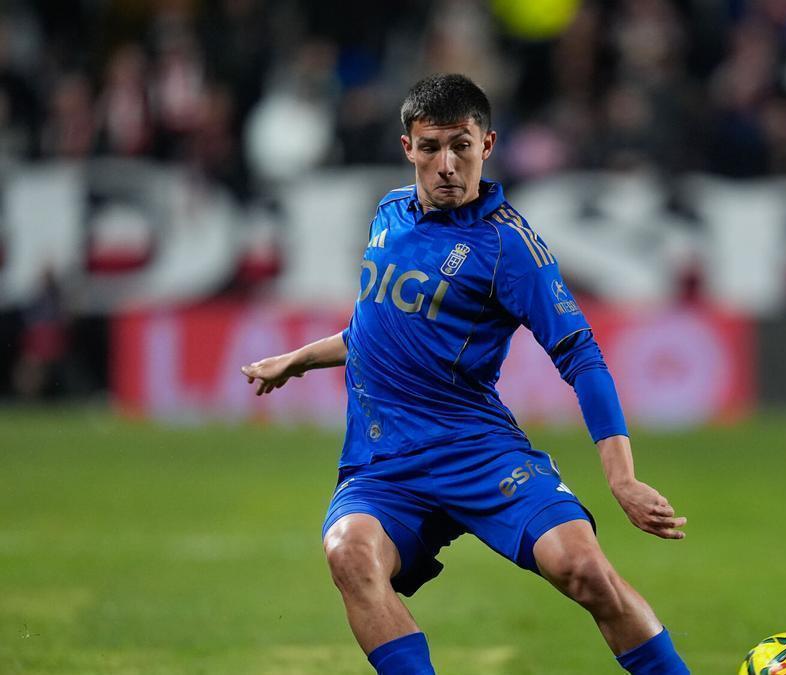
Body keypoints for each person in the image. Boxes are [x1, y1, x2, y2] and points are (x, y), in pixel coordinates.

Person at [241, 73, 690, 675]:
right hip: (388, 464)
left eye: (462, 145)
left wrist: (622, 478)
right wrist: (297, 358)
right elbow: (376, 331)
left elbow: (581, 355)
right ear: (408, 149)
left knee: (585, 572)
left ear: (488, 144)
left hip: (477, 453)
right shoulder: (388, 214)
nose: (447, 164)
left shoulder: (511, 248)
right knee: (350, 554)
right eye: (431, 147)